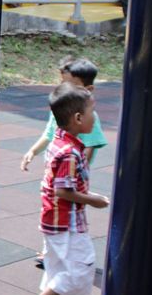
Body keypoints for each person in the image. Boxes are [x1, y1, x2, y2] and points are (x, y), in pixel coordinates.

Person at [16, 82, 109, 295]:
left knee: (57, 267)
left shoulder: (59, 140)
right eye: (93, 112)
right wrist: (94, 200)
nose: (94, 118)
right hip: (65, 221)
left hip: (54, 219)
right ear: (78, 118)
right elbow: (63, 191)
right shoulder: (70, 152)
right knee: (79, 269)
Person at [20, 57, 108, 268]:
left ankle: (59, 253)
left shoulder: (87, 116)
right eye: (62, 84)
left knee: (68, 212)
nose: (64, 90)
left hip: (70, 173)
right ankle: (52, 251)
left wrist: (78, 176)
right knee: (54, 209)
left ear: (88, 89)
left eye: (70, 86)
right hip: (58, 170)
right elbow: (49, 134)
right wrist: (32, 151)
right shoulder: (61, 112)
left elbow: (89, 146)